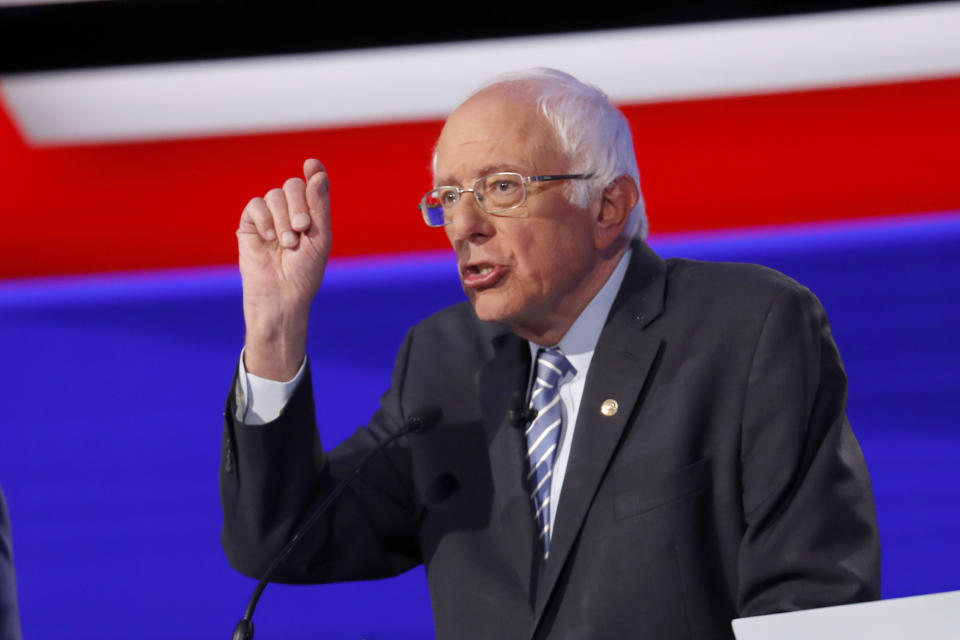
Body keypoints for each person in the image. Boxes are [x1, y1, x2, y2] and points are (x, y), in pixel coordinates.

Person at [220, 68, 880, 639]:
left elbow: (812, 598)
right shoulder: (444, 361)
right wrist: (274, 330)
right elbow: (282, 544)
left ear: (607, 207)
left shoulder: (744, 328)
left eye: (501, 188)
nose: (463, 227)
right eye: (448, 197)